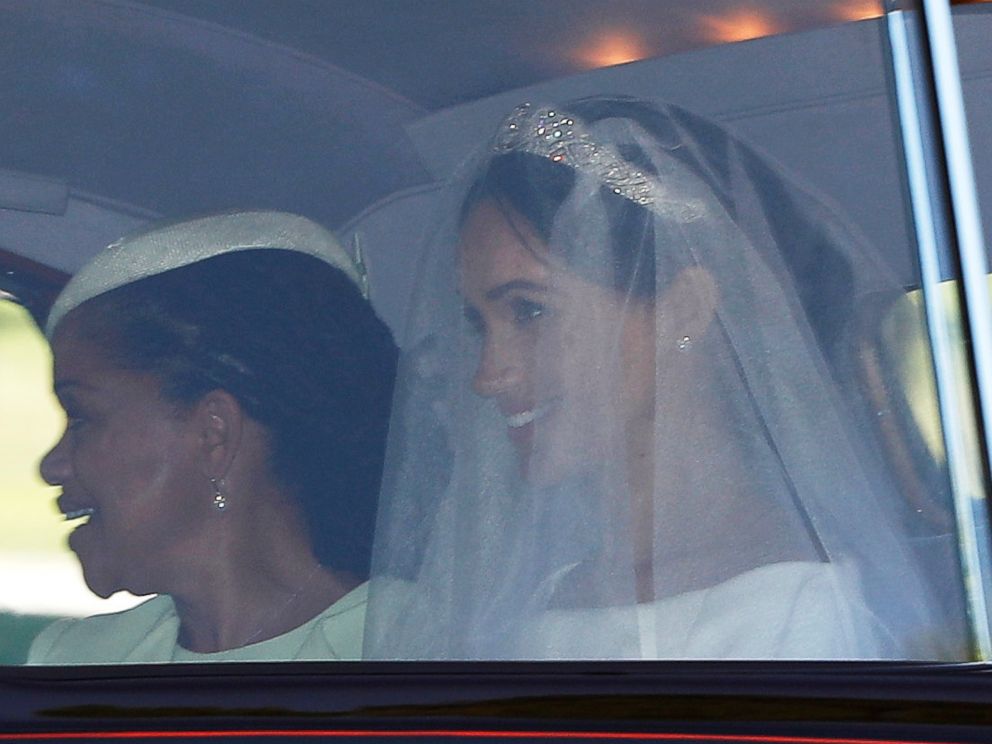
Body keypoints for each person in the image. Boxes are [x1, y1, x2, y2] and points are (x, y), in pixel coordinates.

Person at [363, 97, 965, 660]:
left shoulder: (803, 607)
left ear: (683, 309)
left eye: (530, 310)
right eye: (479, 323)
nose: (487, 377)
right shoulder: (524, 595)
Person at [28, 210, 397, 663]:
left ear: (212, 433)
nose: (53, 466)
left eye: (81, 416)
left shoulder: (416, 647)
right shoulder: (72, 661)